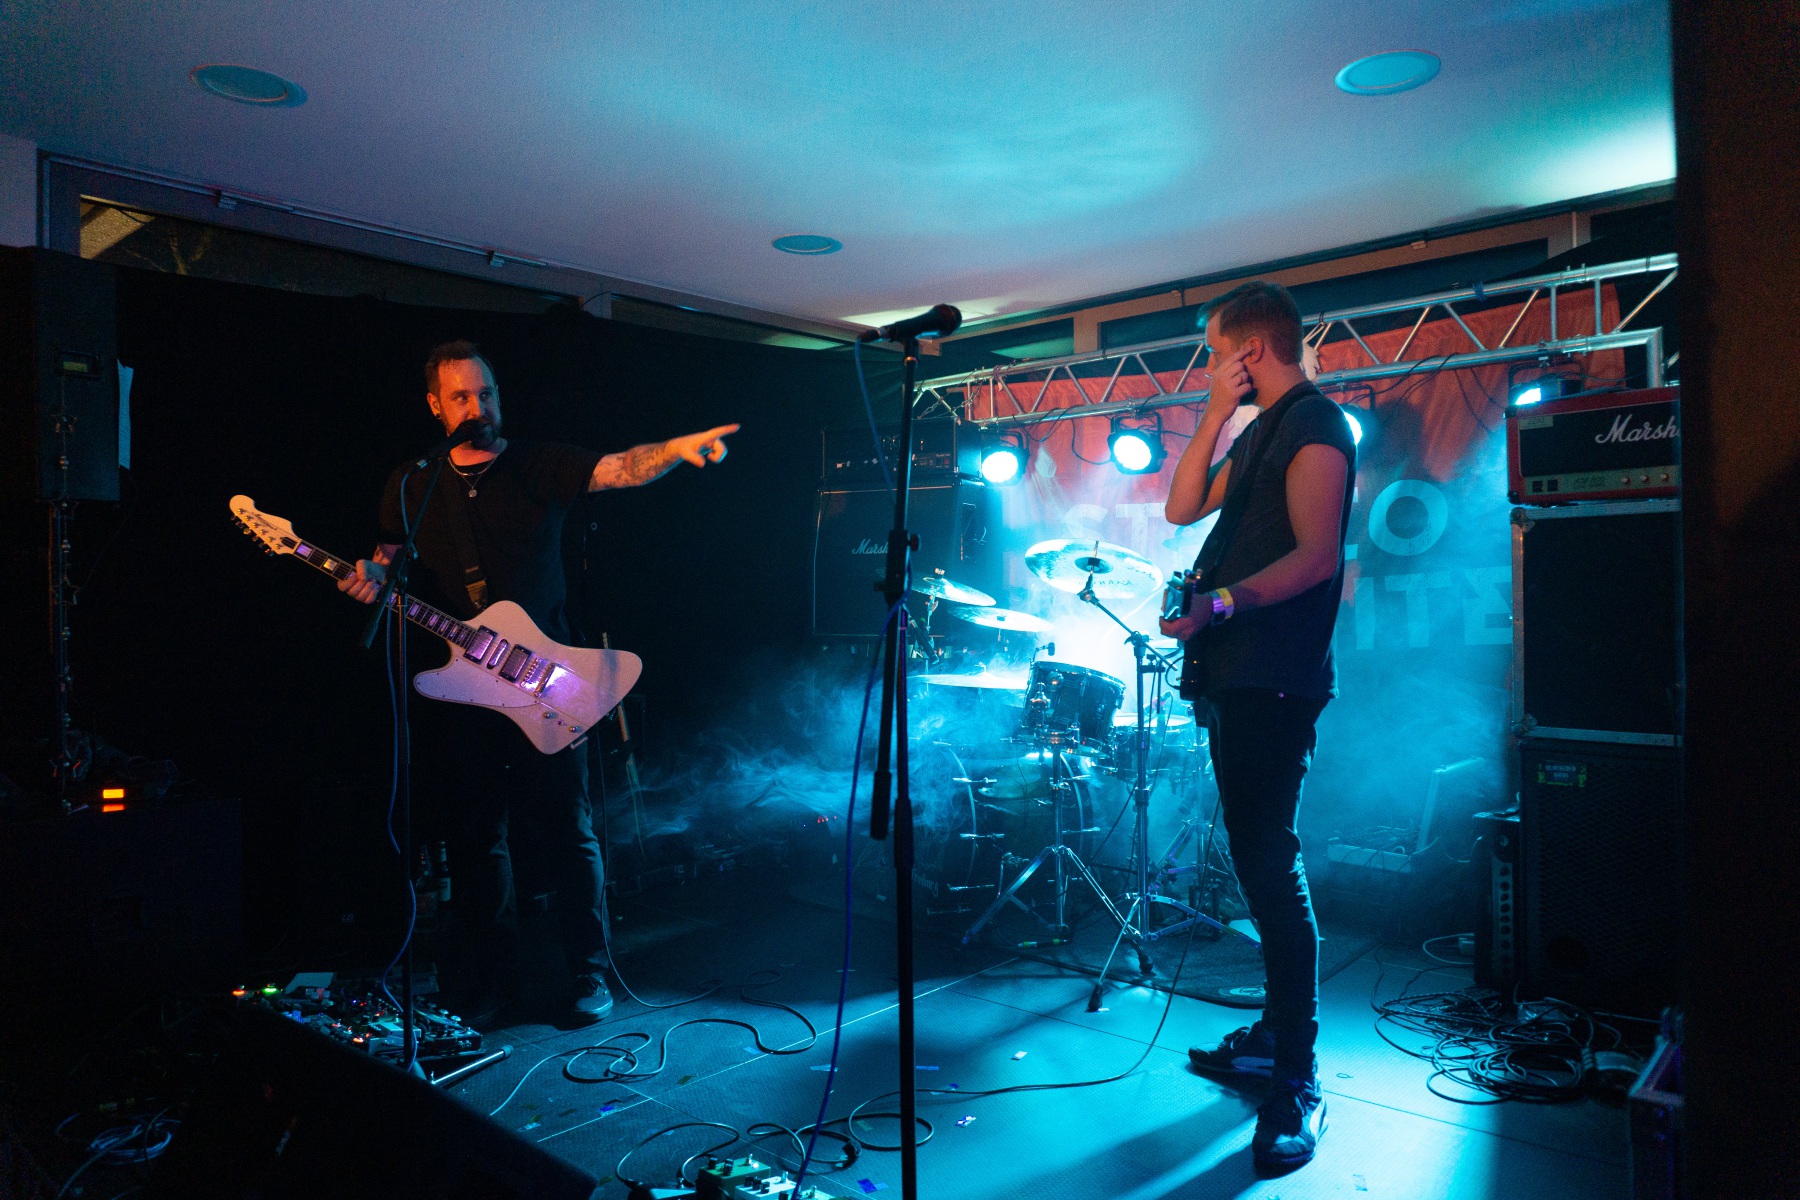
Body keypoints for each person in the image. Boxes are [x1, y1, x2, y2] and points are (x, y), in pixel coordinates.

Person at [339, 339, 738, 1027]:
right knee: (476, 840)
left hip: (550, 681)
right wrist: (370, 576)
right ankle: (494, 982)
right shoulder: (412, 483)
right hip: (465, 694)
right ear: (435, 406)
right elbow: (389, 561)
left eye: (487, 392)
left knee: (567, 832)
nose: (478, 407)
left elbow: (617, 469)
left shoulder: (537, 463)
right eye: (462, 396)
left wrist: (673, 450)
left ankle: (589, 971)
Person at [1160, 281, 1355, 1173]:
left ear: (1249, 349)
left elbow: (1317, 559)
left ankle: (1297, 1076)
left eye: (1215, 352)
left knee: (1270, 865)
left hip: (1275, 677)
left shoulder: (1316, 424)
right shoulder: (1262, 430)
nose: (1212, 365)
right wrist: (1213, 414)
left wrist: (1223, 602)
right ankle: (1277, 1036)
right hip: (1239, 676)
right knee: (1256, 858)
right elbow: (1181, 507)